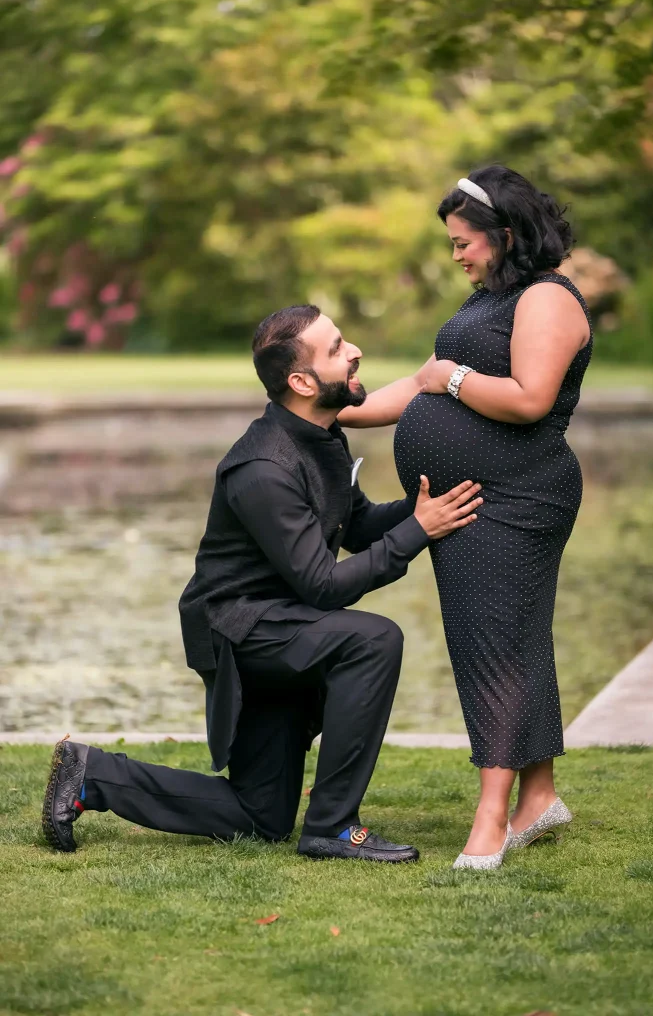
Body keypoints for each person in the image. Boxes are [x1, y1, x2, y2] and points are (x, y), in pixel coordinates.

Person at [43, 305, 483, 863]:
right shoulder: (262, 468)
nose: (355, 352)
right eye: (336, 348)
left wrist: (422, 511)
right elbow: (323, 585)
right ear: (301, 381)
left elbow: (357, 524)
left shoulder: (320, 436)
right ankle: (333, 826)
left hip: (283, 624)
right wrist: (419, 531)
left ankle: (93, 775)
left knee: (262, 814)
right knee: (373, 639)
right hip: (239, 630)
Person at [338, 165, 592, 869]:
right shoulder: (489, 303)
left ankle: (491, 820)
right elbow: (414, 384)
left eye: (463, 242)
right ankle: (537, 797)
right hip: (484, 493)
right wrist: (329, 409)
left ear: (505, 234)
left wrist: (443, 379)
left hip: (515, 495)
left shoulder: (546, 298)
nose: (456, 256)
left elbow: (529, 397)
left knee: (491, 647)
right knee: (517, 639)